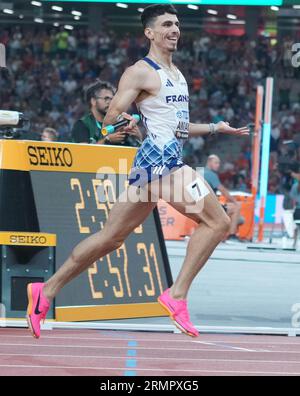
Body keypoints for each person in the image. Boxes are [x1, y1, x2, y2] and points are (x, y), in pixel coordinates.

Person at [26, 4, 248, 339]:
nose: (174, 30)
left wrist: (216, 127)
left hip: (154, 164)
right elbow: (109, 116)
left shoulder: (177, 74)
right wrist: (124, 120)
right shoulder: (139, 72)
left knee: (110, 238)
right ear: (149, 33)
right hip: (161, 163)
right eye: (167, 24)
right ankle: (176, 295)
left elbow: (178, 127)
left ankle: (46, 290)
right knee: (217, 222)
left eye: (177, 24)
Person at [71, 79, 142, 146]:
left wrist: (138, 137)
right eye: (106, 98)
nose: (110, 102)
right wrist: (107, 140)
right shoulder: (82, 125)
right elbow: (83, 153)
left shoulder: (119, 124)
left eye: (112, 99)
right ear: (93, 101)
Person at [204, 155, 242, 241]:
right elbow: (223, 190)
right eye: (216, 163)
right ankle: (231, 236)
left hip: (200, 206)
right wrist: (235, 201)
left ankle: (220, 235)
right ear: (209, 162)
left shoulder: (199, 171)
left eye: (219, 163)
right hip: (209, 207)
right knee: (235, 208)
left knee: (226, 210)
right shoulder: (211, 174)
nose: (218, 165)